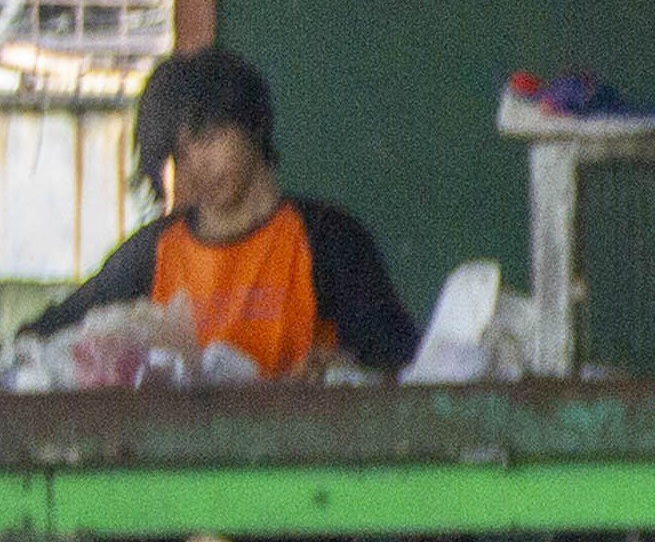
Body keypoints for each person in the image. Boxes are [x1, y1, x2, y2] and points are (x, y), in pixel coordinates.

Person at [27, 44, 418, 378]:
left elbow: (399, 361)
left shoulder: (327, 239)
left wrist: (341, 369)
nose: (195, 166)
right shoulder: (154, 252)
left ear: (254, 125)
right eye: (179, 154)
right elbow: (38, 338)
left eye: (208, 138)